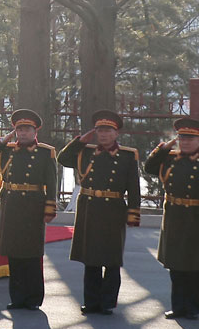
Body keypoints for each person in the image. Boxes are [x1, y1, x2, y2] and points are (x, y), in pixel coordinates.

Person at [58, 109, 140, 315]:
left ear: (116, 134)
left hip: (113, 210)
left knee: (111, 259)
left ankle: (108, 302)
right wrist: (80, 140)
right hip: (90, 208)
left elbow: (134, 187)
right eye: (99, 131)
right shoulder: (85, 152)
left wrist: (133, 213)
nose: (103, 135)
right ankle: (91, 301)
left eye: (107, 131)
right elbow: (62, 158)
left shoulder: (127, 156)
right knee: (91, 258)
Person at [0, 108, 58, 309]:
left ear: (35, 131)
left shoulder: (46, 152)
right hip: (11, 205)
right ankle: (18, 297)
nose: (22, 133)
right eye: (19, 129)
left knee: (31, 253)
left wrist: (50, 207)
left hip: (33, 205)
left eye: (27, 129)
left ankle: (33, 298)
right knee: (14, 254)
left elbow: (52, 182)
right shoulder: (7, 150)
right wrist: (1, 141)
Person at [143, 117, 199, 320]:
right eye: (182, 139)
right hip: (174, 216)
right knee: (176, 264)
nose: (185, 142)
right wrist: (163, 147)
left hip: (196, 217)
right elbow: (149, 167)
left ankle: (193, 307)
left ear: (198, 141)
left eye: (189, 139)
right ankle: (178, 306)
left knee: (194, 264)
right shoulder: (169, 158)